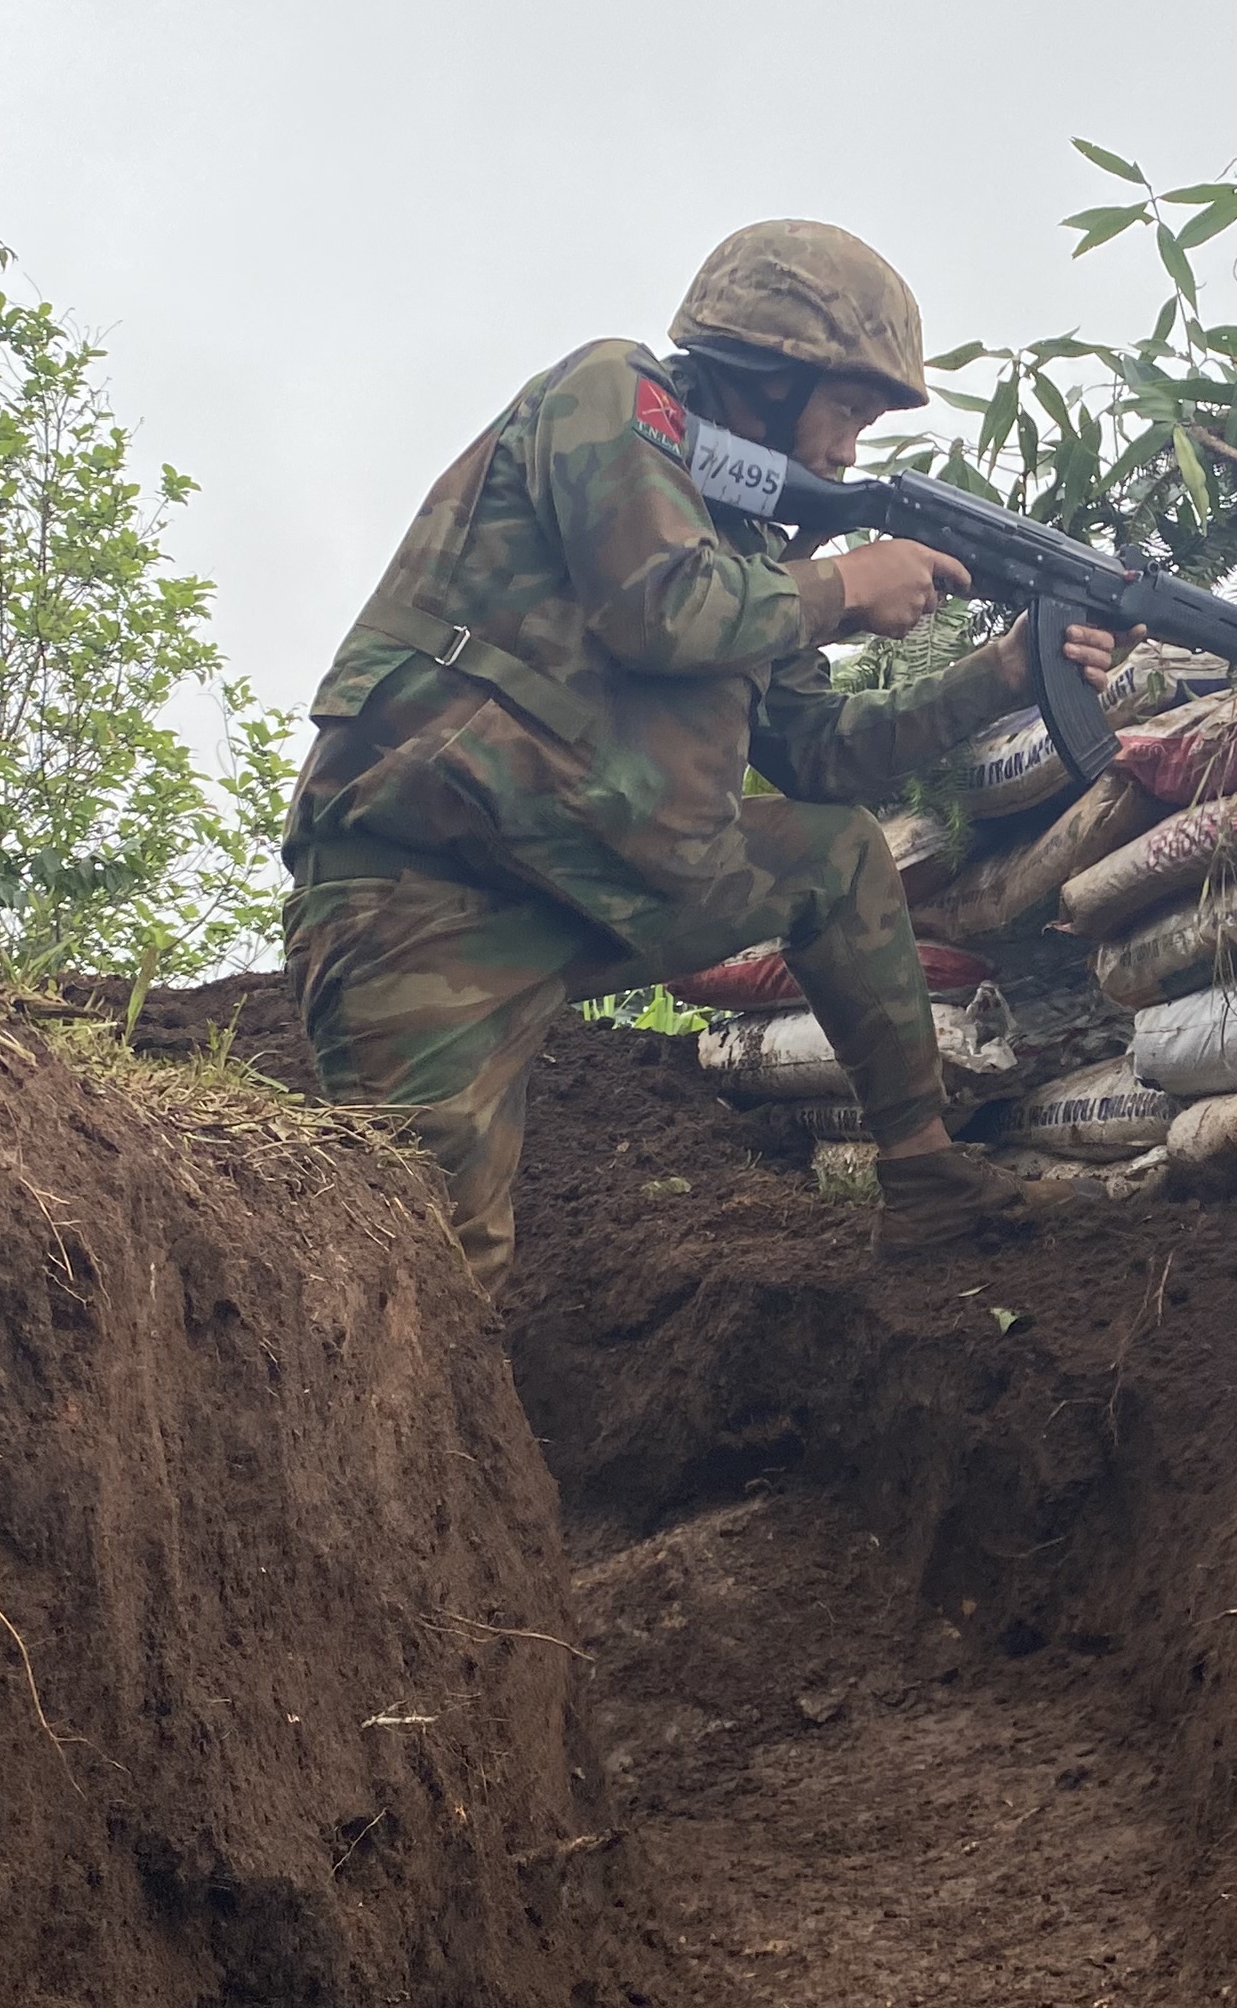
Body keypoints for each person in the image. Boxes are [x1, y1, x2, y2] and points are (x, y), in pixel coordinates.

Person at [279, 220, 1121, 1293]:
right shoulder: (609, 392)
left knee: (838, 853)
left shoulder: (750, 552)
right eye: (848, 410)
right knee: (440, 1272)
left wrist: (1000, 676)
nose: (850, 451)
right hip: (430, 892)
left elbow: (825, 756)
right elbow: (654, 609)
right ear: (773, 373)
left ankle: (925, 1182)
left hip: (602, 882)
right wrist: (846, 587)